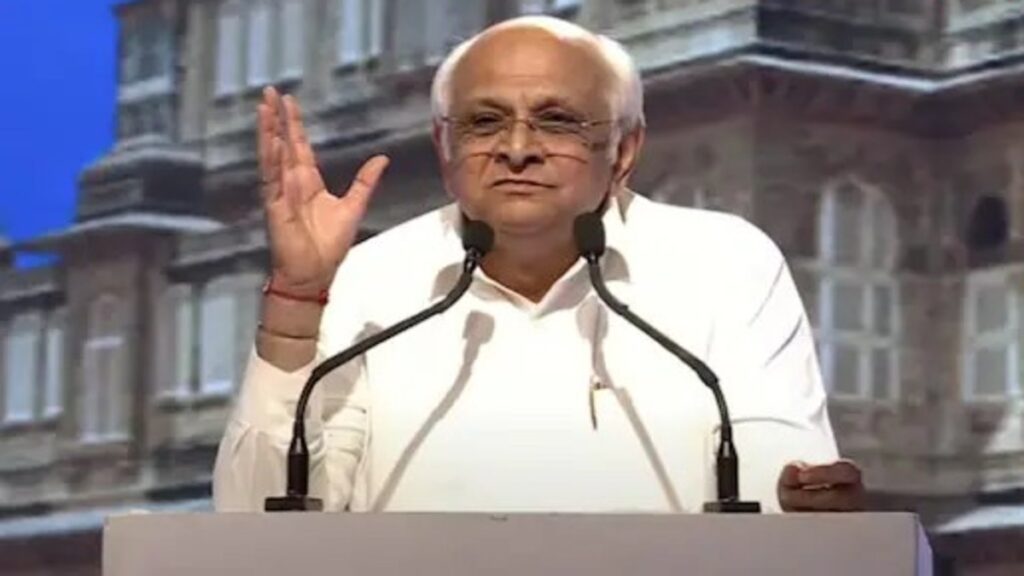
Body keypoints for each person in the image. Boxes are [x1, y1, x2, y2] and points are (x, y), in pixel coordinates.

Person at [213, 15, 864, 513]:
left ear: (624, 149)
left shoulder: (725, 264)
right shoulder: (372, 278)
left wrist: (806, 502)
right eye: (484, 122)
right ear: (444, 147)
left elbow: (777, 498)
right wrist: (296, 299)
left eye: (556, 121)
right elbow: (258, 521)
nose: (517, 148)